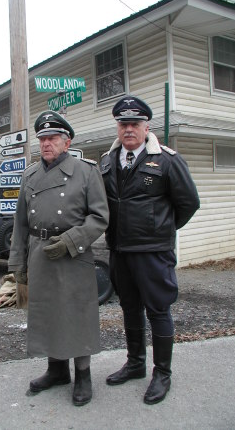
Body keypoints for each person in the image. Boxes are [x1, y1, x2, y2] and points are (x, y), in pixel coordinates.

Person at [100, 95, 200, 405]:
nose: (128, 129)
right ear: (118, 127)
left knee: (158, 310)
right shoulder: (107, 161)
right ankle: (135, 364)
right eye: (123, 124)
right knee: (130, 308)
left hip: (153, 252)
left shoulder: (168, 160)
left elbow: (188, 203)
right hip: (120, 250)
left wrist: (161, 229)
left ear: (146, 127)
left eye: (135, 124)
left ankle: (163, 373)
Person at [8, 110, 109, 406]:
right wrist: (17, 264)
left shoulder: (86, 172)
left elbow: (100, 217)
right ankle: (56, 371)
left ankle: (83, 375)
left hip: (73, 254)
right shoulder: (30, 175)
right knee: (47, 311)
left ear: (67, 142)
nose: (45, 144)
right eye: (42, 138)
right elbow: (20, 224)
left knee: (76, 313)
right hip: (40, 253)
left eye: (52, 138)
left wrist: (71, 241)